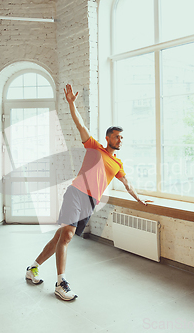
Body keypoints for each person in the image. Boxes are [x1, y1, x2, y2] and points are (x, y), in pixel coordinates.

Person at [25, 84, 151, 301]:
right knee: (67, 235)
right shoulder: (94, 147)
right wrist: (72, 104)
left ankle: (33, 267)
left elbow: (127, 184)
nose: (120, 140)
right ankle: (60, 283)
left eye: (122, 138)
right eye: (117, 137)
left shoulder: (118, 163)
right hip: (76, 193)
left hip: (90, 202)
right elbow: (79, 124)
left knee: (60, 237)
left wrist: (139, 198)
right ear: (108, 137)